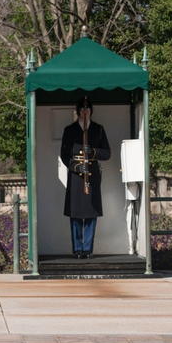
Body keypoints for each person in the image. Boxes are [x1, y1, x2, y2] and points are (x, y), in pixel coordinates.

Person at [59, 96, 111, 258]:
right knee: (75, 213)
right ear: (78, 111)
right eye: (82, 109)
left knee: (91, 212)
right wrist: (75, 166)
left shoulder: (99, 129)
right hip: (75, 175)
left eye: (87, 109)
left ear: (91, 111)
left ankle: (87, 248)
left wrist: (93, 151)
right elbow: (64, 154)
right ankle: (77, 249)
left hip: (92, 173)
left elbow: (107, 153)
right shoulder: (69, 130)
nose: (85, 112)